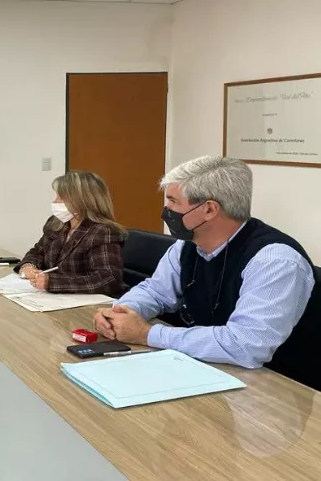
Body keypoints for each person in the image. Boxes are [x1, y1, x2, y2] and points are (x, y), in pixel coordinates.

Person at [93, 156, 318, 388]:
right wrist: (122, 312)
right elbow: (156, 291)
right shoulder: (187, 245)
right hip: (205, 369)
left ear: (209, 209)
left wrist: (146, 334)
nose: (166, 210)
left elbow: (247, 345)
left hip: (275, 388)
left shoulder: (275, 261)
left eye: (173, 201)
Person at [18, 171, 126, 295]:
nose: (55, 201)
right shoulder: (56, 223)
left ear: (82, 200)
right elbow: (37, 252)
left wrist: (52, 282)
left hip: (86, 305)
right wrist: (28, 266)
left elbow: (108, 279)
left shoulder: (103, 231)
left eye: (61, 197)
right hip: (51, 299)